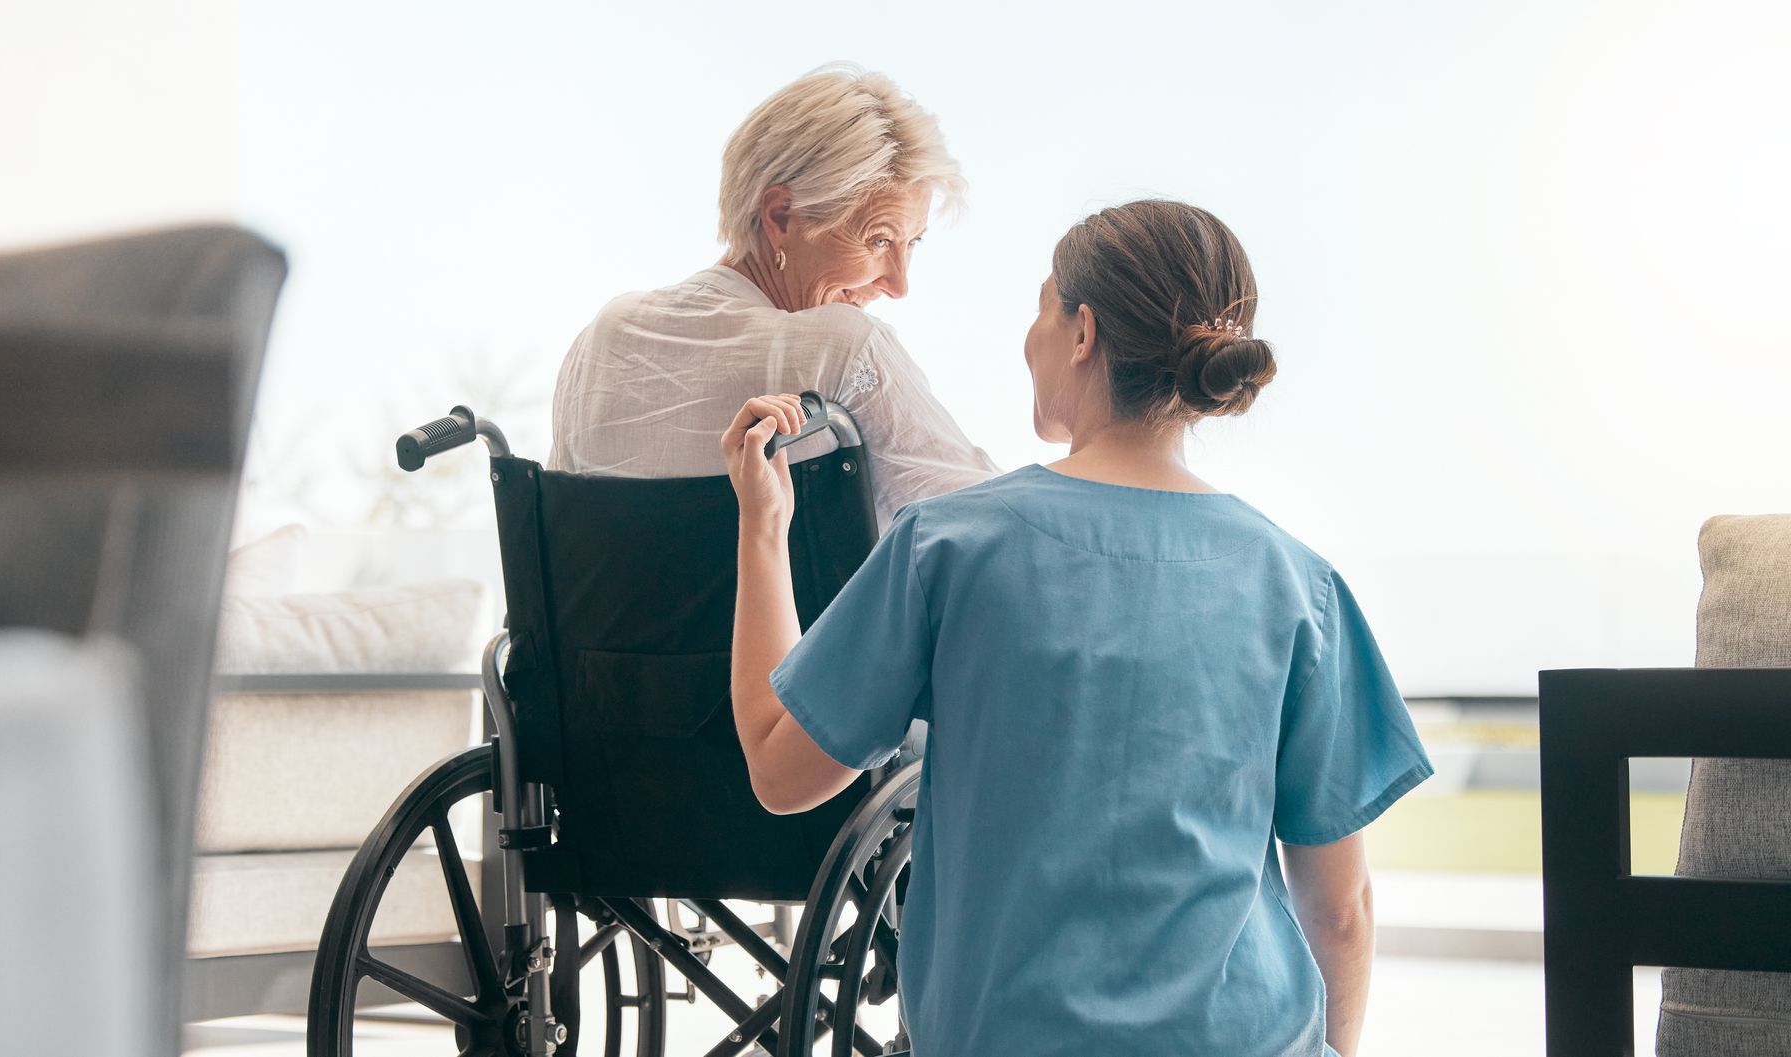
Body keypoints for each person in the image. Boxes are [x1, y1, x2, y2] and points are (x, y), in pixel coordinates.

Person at [721, 200, 1433, 1056]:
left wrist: (762, 527)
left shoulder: (948, 547)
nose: (1030, 336)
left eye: (1041, 306)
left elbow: (779, 766)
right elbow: (1342, 911)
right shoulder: (1296, 581)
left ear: (1083, 331)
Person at [549, 64, 997, 529]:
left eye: (913, 242)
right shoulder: (840, 348)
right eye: (880, 240)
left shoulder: (598, 341)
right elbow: (994, 530)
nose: (898, 285)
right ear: (782, 215)